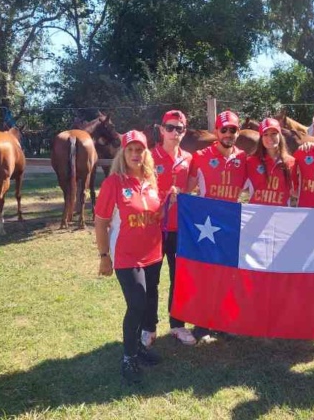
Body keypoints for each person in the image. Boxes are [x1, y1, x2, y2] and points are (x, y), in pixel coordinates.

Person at [94, 130, 164, 384]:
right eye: (130, 150)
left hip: (153, 255)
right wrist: (104, 256)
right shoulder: (113, 184)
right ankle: (128, 357)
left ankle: (139, 349)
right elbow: (101, 223)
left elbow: (157, 214)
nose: (135, 154)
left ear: (146, 153)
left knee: (147, 304)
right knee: (136, 305)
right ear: (123, 153)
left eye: (140, 150)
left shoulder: (152, 181)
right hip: (126, 256)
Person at [186, 109, 248, 342]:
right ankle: (201, 323)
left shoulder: (243, 158)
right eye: (225, 129)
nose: (229, 133)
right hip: (206, 225)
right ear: (216, 131)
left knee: (227, 275)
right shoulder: (201, 156)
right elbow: (188, 188)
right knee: (205, 275)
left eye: (233, 129)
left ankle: (222, 321)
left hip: (230, 224)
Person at [150, 110, 197, 346]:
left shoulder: (189, 158)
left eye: (179, 128)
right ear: (161, 129)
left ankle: (177, 325)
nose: (174, 132)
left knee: (179, 279)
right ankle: (148, 327)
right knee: (152, 280)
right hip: (154, 229)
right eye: (170, 127)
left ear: (184, 132)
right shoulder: (149, 156)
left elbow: (191, 187)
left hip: (180, 230)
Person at [244, 117, 297, 206]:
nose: (270, 138)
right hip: (256, 217)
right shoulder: (250, 161)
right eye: (265, 134)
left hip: (279, 216)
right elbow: (237, 187)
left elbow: (297, 192)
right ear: (261, 137)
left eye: (274, 133)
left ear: (280, 135)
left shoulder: (291, 162)